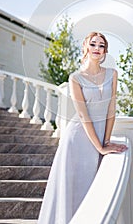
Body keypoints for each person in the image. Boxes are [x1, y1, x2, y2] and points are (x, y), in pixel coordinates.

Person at [38, 31, 128, 224]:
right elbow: (82, 114)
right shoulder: (75, 78)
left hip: (99, 135)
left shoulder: (112, 74)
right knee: (75, 188)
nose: (97, 48)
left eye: (101, 45)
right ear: (86, 48)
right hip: (78, 138)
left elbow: (111, 109)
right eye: (93, 44)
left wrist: (106, 140)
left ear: (105, 51)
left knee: (92, 187)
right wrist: (99, 146)